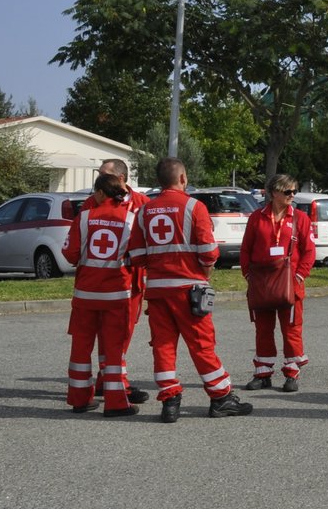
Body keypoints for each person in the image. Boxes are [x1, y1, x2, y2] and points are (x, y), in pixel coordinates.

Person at [129, 157, 252, 423]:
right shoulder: (194, 207)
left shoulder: (144, 211)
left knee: (162, 346)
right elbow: (209, 252)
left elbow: (136, 255)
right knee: (202, 345)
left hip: (158, 291)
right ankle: (220, 398)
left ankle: (170, 401)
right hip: (189, 289)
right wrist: (205, 270)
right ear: (183, 178)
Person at [61, 172, 141, 417]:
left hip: (85, 295)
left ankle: (79, 399)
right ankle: (116, 403)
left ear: (99, 193)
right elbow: (138, 256)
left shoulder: (84, 217)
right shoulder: (130, 219)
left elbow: (70, 254)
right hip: (117, 294)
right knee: (113, 351)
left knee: (81, 348)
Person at [238, 174, 316, 392]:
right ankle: (263, 373)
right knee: (263, 329)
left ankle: (292, 373)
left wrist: (300, 276)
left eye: (294, 191)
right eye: (287, 191)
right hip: (261, 282)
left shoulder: (300, 218)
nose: (292, 195)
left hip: (290, 284)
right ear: (274, 193)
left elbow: (309, 251)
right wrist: (248, 275)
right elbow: (246, 249)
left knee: (291, 329)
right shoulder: (257, 218)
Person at [96, 158, 149, 406]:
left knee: (123, 332)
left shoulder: (141, 204)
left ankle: (106, 378)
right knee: (108, 333)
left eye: (103, 174)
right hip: (101, 280)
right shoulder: (93, 201)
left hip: (131, 278)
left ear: (120, 178)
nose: (98, 179)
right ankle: (118, 383)